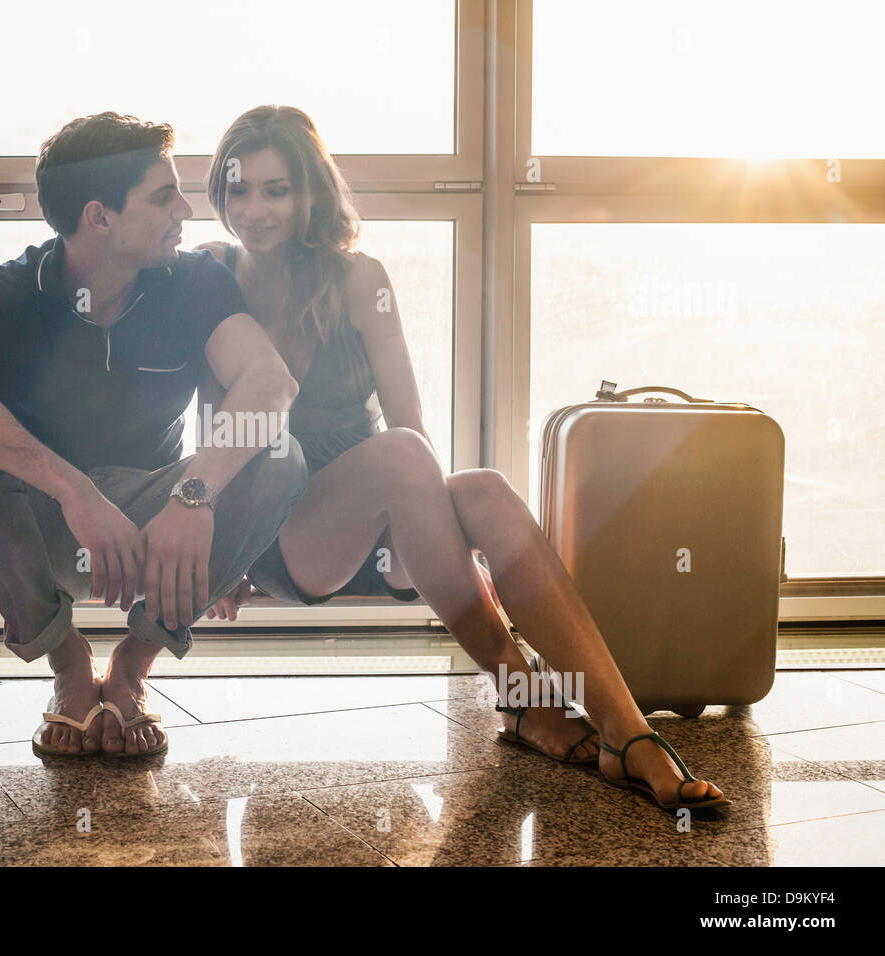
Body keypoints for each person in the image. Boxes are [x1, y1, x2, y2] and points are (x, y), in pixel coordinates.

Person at [193, 105, 729, 811]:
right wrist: (218, 542)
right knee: (401, 458)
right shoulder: (207, 273)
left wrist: (433, 528)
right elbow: (208, 416)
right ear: (219, 192)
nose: (254, 209)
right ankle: (524, 700)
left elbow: (411, 424)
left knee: (485, 490)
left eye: (277, 189)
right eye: (239, 189)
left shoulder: (358, 279)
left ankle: (627, 735)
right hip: (283, 529)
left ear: (309, 194)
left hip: (388, 520)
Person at [0, 112, 307, 758]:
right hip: (40, 522)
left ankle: (132, 667)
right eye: (161, 197)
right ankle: (69, 666)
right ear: (100, 217)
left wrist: (194, 495)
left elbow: (271, 383)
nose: (186, 208)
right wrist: (74, 491)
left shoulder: (194, 282)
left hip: (153, 521)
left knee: (283, 457)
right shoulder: (8, 291)